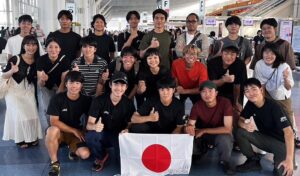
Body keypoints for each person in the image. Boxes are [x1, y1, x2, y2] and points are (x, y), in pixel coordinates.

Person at [235, 78, 295, 176]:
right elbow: (240, 120)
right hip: (267, 140)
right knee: (240, 132)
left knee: (283, 173)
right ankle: (253, 161)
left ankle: (287, 160)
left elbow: (289, 133)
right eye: (247, 91)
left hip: (283, 144)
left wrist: (289, 159)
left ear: (261, 90)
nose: (251, 93)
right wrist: (244, 125)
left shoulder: (274, 107)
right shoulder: (250, 104)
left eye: (254, 89)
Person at [85, 71, 135, 172]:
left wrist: (127, 129)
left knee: (123, 167)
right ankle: (100, 157)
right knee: (91, 136)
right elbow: (88, 125)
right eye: (116, 84)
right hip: (103, 134)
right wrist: (94, 127)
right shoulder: (99, 100)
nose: (119, 88)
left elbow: (131, 123)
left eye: (122, 85)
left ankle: (118, 154)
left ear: (126, 87)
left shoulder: (128, 103)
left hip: (119, 136)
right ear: (110, 85)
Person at [45, 71, 91, 176]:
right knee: (51, 130)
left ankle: (72, 150)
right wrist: (74, 130)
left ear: (81, 85)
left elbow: (90, 119)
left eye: (77, 83)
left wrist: (84, 132)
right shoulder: (57, 98)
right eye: (71, 82)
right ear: (66, 84)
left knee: (85, 154)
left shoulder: (86, 100)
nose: (74, 86)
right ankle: (54, 164)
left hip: (75, 134)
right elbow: (53, 121)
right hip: (59, 131)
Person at [254, 43, 299, 148]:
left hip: (282, 95)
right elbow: (261, 85)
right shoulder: (259, 64)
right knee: (267, 115)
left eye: (272, 53)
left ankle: (292, 139)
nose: (268, 55)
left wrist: (286, 78)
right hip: (269, 92)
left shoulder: (284, 66)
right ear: (262, 53)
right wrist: (263, 102)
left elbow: (288, 87)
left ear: (277, 54)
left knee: (286, 117)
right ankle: (270, 138)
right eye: (266, 52)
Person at [1, 35, 42, 148]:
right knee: (19, 114)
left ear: (37, 46)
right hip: (14, 90)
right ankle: (20, 139)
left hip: (28, 90)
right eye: (28, 44)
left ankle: (31, 137)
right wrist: (11, 71)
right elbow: (3, 75)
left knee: (31, 113)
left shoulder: (38, 61)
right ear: (23, 46)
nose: (31, 47)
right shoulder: (15, 59)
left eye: (33, 44)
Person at [185, 81, 234, 175]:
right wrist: (189, 128)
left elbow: (228, 129)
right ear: (200, 94)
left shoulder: (225, 102)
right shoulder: (197, 106)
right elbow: (191, 124)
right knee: (189, 136)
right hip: (205, 135)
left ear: (216, 93)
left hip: (220, 133)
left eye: (210, 91)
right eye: (204, 91)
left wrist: (204, 130)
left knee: (225, 138)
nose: (207, 94)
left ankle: (225, 161)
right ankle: (199, 152)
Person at [207, 44, 247, 125]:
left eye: (232, 54)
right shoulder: (212, 63)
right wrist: (224, 80)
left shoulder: (240, 64)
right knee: (217, 112)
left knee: (236, 111)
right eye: (226, 53)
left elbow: (238, 85)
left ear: (237, 55)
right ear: (221, 53)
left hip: (235, 91)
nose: (229, 56)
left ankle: (234, 127)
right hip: (217, 90)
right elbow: (211, 84)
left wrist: (236, 102)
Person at [36, 38, 70, 125]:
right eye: (50, 47)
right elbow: (40, 84)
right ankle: (50, 128)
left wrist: (59, 93)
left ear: (60, 49)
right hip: (47, 86)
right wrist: (43, 80)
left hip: (61, 85)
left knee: (62, 107)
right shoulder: (41, 60)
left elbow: (64, 79)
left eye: (56, 47)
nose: (53, 50)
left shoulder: (64, 59)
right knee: (48, 108)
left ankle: (62, 129)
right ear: (46, 48)